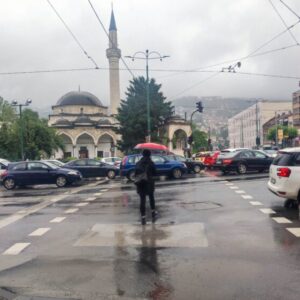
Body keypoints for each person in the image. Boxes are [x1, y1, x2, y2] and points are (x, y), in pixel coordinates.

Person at [135, 149, 157, 225]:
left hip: (140, 183)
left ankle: (143, 217)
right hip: (149, 183)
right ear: (149, 155)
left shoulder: (138, 163)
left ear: (143, 154)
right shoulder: (151, 163)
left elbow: (135, 174)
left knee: (142, 200)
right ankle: (153, 213)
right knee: (151, 198)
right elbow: (155, 172)